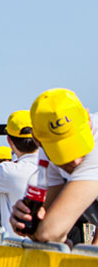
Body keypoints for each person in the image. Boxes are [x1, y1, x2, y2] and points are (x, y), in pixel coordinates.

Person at [11, 89, 98, 245]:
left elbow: (50, 232)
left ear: (88, 119)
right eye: (64, 153)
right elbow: (42, 224)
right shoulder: (46, 148)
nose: (77, 161)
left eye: (77, 146)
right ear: (38, 142)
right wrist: (24, 221)